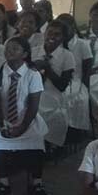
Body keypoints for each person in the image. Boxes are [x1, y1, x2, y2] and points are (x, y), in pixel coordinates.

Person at [0, 36, 52, 195]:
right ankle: (3, 183)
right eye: (8, 48)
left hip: (26, 118)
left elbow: (33, 105)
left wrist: (22, 126)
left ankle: (36, 183)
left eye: (15, 49)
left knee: (37, 139)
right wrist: (3, 124)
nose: (9, 51)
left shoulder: (32, 74)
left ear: (25, 54)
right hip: (2, 118)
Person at [32, 21, 75, 149]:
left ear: (63, 38)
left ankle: (47, 145)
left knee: (47, 113)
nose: (52, 37)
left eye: (57, 34)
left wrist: (47, 68)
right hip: (34, 94)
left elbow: (62, 85)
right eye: (50, 33)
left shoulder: (67, 56)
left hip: (53, 96)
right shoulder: (33, 51)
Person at [55, 13, 93, 137]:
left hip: (77, 80)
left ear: (72, 27)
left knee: (70, 95)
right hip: (60, 79)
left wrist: (85, 86)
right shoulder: (57, 43)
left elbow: (87, 68)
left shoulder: (82, 44)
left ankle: (72, 132)